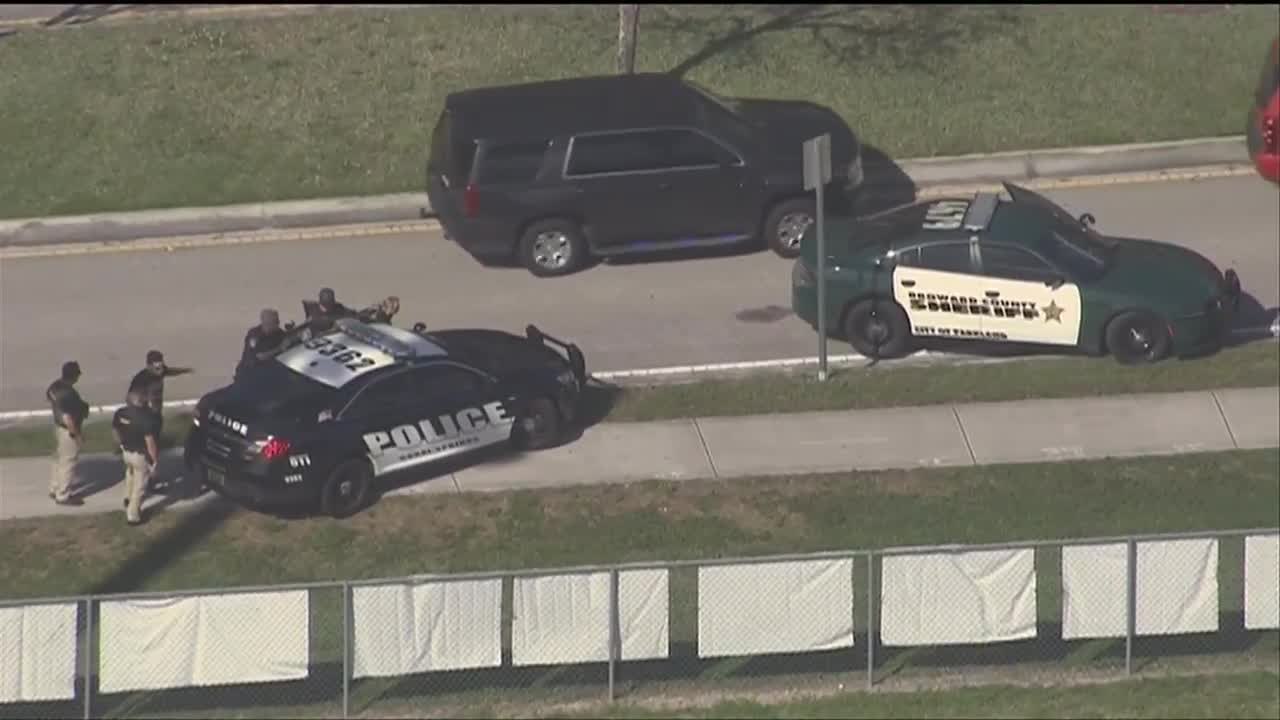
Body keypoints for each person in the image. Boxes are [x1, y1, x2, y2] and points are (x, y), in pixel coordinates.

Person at [112, 390, 159, 526]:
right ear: (141, 401)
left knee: (130, 473)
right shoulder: (145, 418)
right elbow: (150, 442)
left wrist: (120, 443)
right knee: (140, 484)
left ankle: (127, 497)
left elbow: (115, 430)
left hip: (126, 452)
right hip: (140, 455)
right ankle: (133, 515)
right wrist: (155, 461)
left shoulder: (120, 413)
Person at [46, 361, 89, 506]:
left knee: (58, 459)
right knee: (68, 462)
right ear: (74, 376)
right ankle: (63, 495)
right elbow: (68, 418)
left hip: (57, 427)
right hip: (67, 431)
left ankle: (54, 487)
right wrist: (77, 435)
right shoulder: (69, 394)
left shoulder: (54, 387)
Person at [236, 308, 287, 379]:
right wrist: (279, 349)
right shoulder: (254, 334)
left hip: (268, 373)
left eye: (277, 321)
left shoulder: (279, 333)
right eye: (274, 322)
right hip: (250, 373)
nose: (278, 324)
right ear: (265, 322)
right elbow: (260, 356)